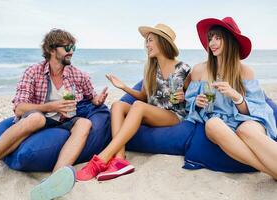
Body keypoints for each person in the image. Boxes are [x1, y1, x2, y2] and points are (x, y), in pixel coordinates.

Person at [0, 29, 108, 195]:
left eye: (73, 48)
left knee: (85, 123)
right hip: (41, 117)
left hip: (66, 120)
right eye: (67, 48)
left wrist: (98, 100)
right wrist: (50, 107)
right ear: (52, 50)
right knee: (36, 119)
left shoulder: (78, 75)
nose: (71, 52)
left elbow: (91, 96)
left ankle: (54, 179)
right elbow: (19, 107)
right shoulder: (33, 72)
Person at [76, 24, 191, 181]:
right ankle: (120, 157)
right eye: (146, 42)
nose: (147, 45)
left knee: (137, 106)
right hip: (151, 112)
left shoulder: (183, 68)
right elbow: (144, 97)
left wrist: (184, 96)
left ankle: (102, 158)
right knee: (117, 105)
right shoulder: (151, 68)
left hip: (173, 115)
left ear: (162, 42)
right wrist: (123, 87)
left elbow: (193, 96)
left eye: (150, 41)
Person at [185, 17, 277, 179]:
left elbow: (257, 109)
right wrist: (197, 103)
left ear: (230, 41)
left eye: (218, 38)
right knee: (212, 124)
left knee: (245, 129)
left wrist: (236, 96)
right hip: (219, 121)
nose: (212, 42)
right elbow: (188, 105)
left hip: (246, 119)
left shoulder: (245, 71)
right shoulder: (199, 70)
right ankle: (269, 169)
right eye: (210, 38)